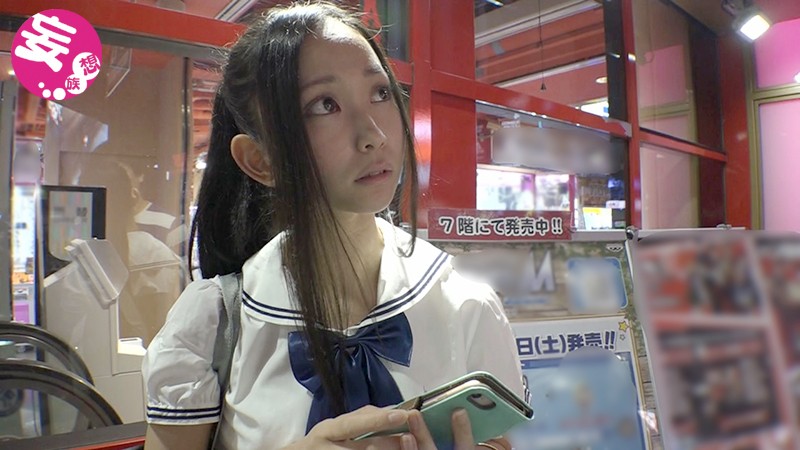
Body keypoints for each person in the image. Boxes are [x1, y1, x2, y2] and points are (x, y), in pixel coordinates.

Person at [142, 2, 524, 449]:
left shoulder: (467, 305)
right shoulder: (213, 325)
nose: (374, 135)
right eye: (325, 105)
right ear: (260, 160)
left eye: (380, 93)